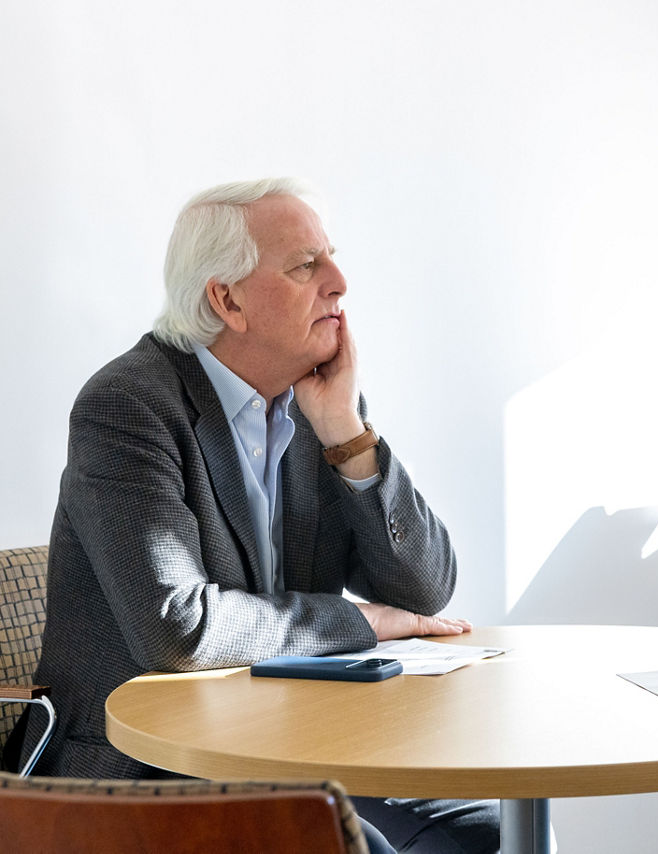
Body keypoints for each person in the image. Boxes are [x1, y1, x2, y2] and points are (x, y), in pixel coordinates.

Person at [3, 178, 499, 853]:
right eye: (306, 265)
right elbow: (180, 629)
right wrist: (360, 621)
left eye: (332, 257)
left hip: (293, 756)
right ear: (226, 300)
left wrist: (348, 436)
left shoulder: (316, 404)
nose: (340, 282)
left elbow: (423, 591)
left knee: (486, 834)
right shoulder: (127, 407)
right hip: (143, 779)